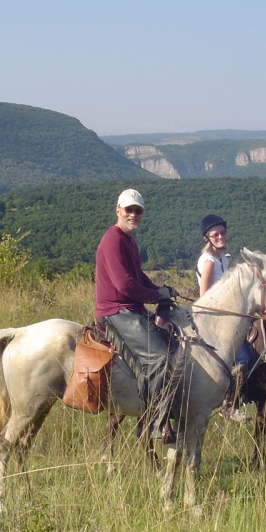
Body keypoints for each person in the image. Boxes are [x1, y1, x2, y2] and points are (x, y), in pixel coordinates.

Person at [95, 189, 179, 444]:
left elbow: (137, 277)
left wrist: (159, 290)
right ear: (118, 210)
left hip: (130, 309)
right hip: (116, 311)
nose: (133, 214)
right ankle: (155, 423)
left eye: (138, 210)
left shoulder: (128, 239)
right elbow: (124, 285)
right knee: (159, 359)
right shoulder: (113, 240)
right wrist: (155, 296)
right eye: (128, 209)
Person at [197, 214, 252, 423]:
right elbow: (205, 297)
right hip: (216, 319)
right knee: (244, 356)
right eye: (215, 234)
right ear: (207, 238)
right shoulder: (209, 261)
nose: (220, 236)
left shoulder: (223, 258)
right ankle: (228, 403)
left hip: (228, 315)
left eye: (222, 232)